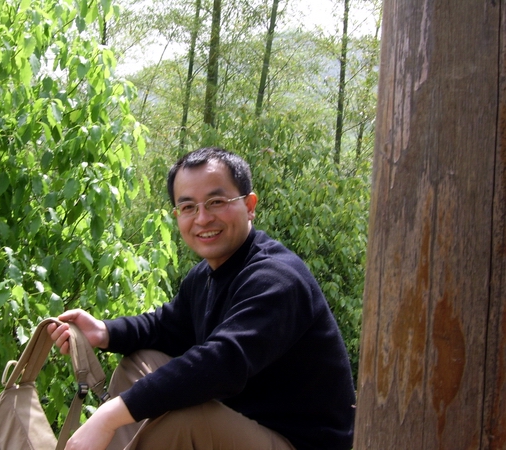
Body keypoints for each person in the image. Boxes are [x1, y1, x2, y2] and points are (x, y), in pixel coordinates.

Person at [48, 147, 356, 450]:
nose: (203, 218)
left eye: (216, 202)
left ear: (249, 205)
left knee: (184, 421)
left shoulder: (277, 278)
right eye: (188, 207)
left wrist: (108, 416)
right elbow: (166, 328)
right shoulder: (205, 276)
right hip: (245, 424)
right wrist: (104, 332)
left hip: (298, 442)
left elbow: (221, 362)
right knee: (141, 362)